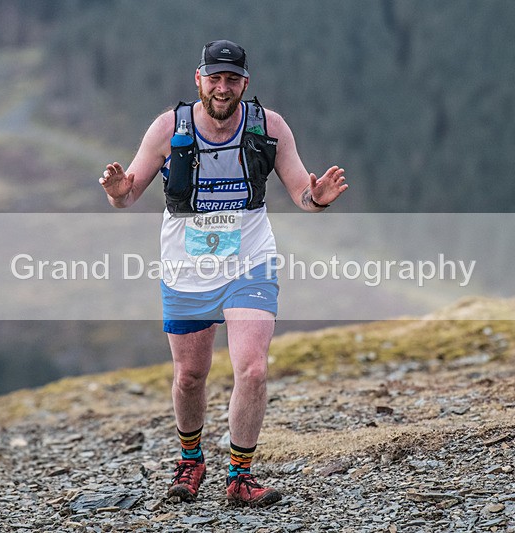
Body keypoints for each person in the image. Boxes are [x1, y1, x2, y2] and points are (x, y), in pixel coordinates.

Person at [99, 39, 347, 507]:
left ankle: (240, 476)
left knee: (251, 369)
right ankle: (191, 461)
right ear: (199, 79)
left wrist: (318, 199)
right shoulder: (167, 128)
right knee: (190, 375)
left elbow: (302, 193)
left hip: (249, 262)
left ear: (244, 84)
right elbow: (127, 194)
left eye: (232, 79)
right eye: (214, 77)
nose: (222, 87)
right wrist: (115, 191)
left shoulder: (268, 126)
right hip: (186, 267)